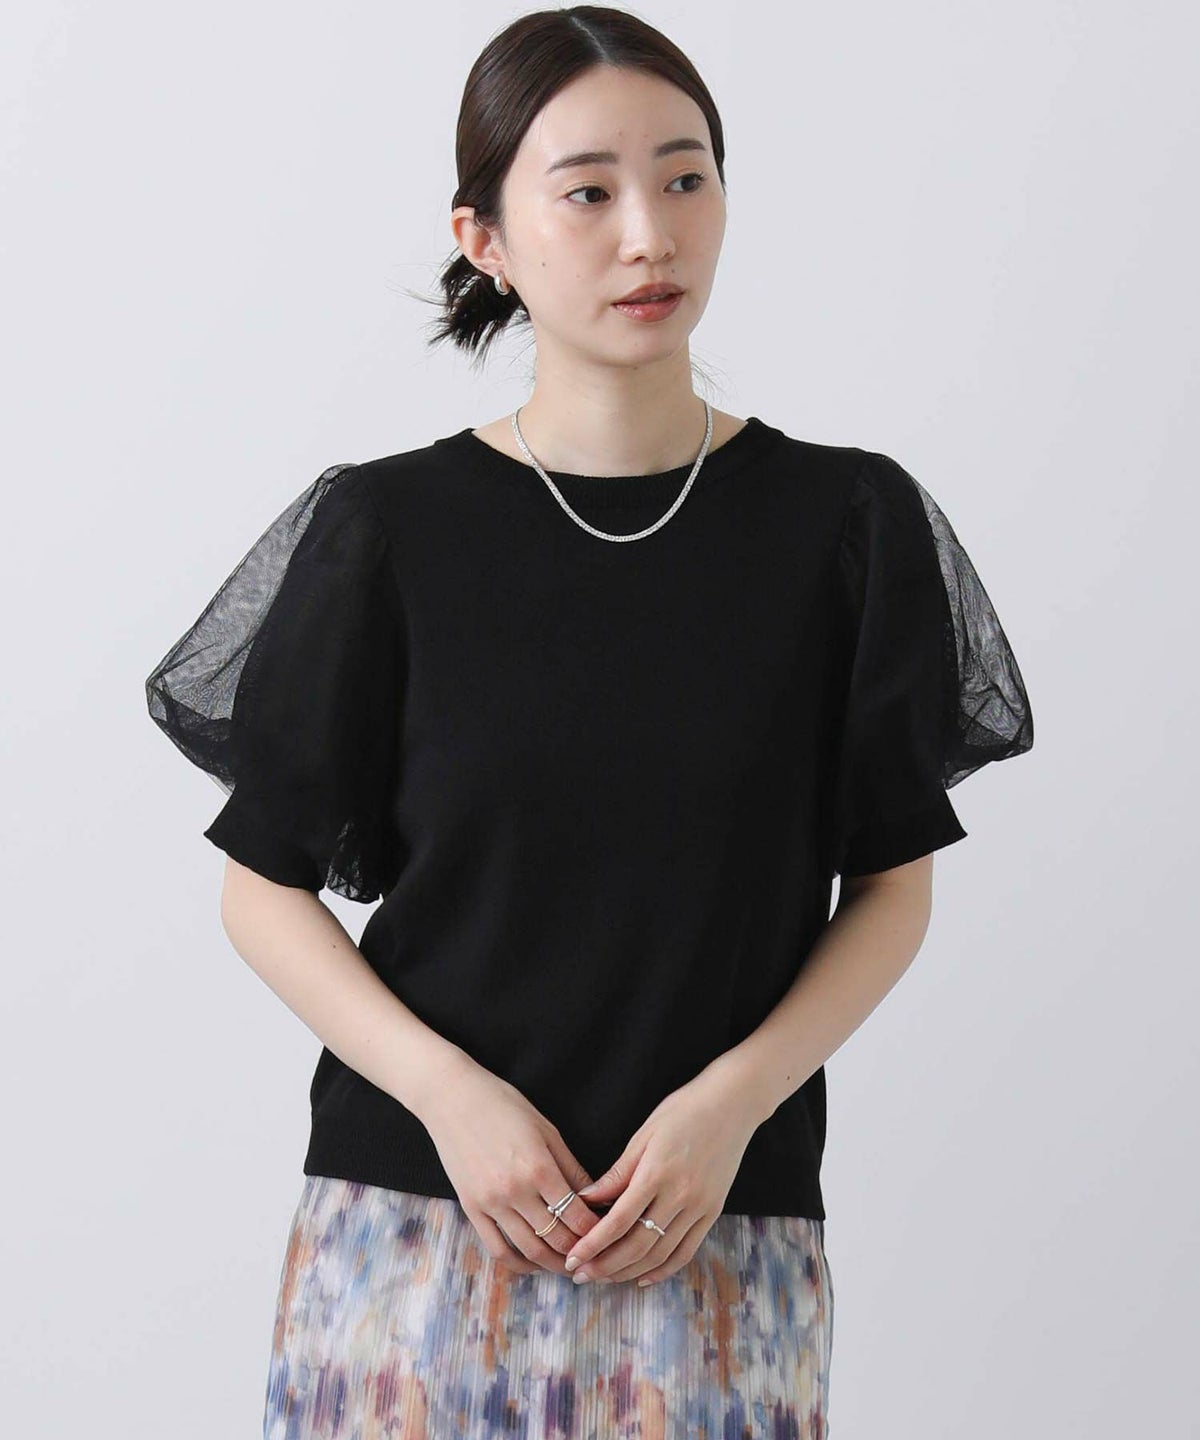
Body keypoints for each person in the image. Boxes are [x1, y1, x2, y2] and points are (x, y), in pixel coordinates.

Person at [144, 7, 1034, 1437]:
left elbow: (890, 888)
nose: (648, 235)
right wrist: (454, 1102)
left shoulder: (845, 526)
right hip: (414, 1233)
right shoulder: (388, 531)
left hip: (717, 1233)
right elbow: (264, 888)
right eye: (588, 191)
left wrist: (731, 1106)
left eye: (686, 179)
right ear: (484, 237)